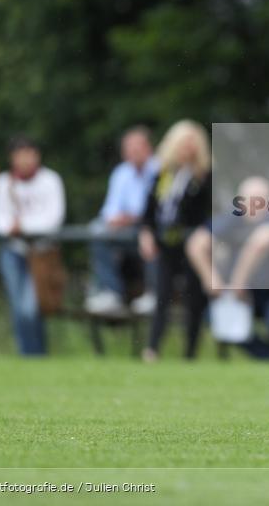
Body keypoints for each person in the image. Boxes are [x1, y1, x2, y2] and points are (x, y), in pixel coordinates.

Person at [186, 176, 269, 358]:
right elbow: (196, 244)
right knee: (215, 318)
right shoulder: (234, 217)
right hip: (246, 295)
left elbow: (260, 242)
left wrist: (238, 281)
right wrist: (211, 279)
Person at [140, 120, 211, 362]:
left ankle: (190, 352)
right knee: (161, 295)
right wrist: (146, 233)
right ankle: (152, 348)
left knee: (194, 298)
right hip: (165, 244)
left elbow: (208, 213)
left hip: (192, 244)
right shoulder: (162, 174)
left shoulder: (203, 176)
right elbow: (149, 211)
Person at [0, 137, 65, 356]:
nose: (24, 159)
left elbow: (53, 218)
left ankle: (37, 354)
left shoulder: (50, 180)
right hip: (13, 251)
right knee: (18, 309)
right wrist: (10, 229)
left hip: (41, 251)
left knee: (31, 307)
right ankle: (27, 356)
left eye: (28, 153)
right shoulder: (4, 182)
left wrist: (23, 226)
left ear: (37, 155)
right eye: (19, 154)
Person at [85, 126, 159, 317]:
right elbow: (110, 209)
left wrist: (134, 218)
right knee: (96, 229)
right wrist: (116, 219)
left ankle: (155, 292)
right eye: (129, 147)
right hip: (125, 230)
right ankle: (110, 292)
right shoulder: (121, 173)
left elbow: (158, 209)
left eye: (137, 146)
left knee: (152, 233)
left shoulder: (160, 169)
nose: (133, 151)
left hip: (152, 227)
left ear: (148, 147)